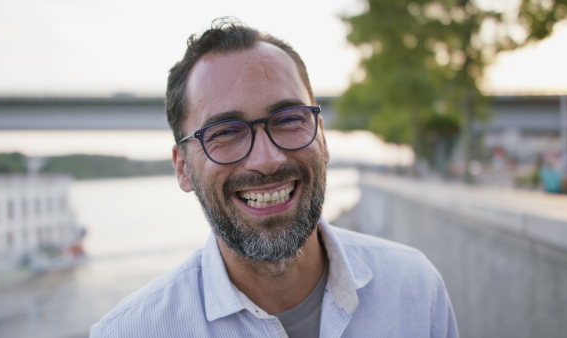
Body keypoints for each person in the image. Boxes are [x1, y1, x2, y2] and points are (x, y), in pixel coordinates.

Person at [90, 18, 459, 338]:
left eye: (288, 120)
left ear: (323, 138)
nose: (266, 160)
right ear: (183, 168)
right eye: (225, 132)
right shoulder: (128, 331)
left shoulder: (416, 289)